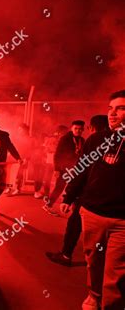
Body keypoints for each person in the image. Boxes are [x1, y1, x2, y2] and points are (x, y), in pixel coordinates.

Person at [59, 91, 125, 309]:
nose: (113, 113)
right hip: (92, 213)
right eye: (110, 108)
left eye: (120, 108)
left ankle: (110, 305)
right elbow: (81, 170)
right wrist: (69, 196)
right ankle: (94, 295)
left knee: (115, 273)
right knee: (93, 261)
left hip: (121, 221)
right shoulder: (97, 139)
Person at [46, 115, 108, 267]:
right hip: (108, 199)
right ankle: (101, 259)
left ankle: (67, 255)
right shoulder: (118, 141)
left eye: (85, 128)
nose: (82, 131)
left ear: (92, 128)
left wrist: (69, 197)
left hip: (89, 194)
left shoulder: (92, 141)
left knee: (75, 223)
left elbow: (82, 171)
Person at [43, 120, 85, 216]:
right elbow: (57, 154)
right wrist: (57, 169)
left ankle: (74, 207)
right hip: (64, 168)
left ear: (82, 130)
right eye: (76, 128)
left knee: (75, 187)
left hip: (76, 168)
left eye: (80, 129)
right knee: (59, 187)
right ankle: (48, 205)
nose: (78, 131)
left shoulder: (82, 140)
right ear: (72, 128)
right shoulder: (65, 139)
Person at [7, 123, 33, 196]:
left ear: (25, 130)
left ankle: (18, 189)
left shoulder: (29, 139)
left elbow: (30, 150)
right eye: (19, 129)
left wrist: (26, 158)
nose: (19, 131)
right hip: (13, 158)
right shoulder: (16, 138)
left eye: (21, 129)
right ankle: (9, 187)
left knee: (19, 174)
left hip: (22, 158)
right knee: (11, 173)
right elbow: (11, 147)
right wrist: (8, 153)